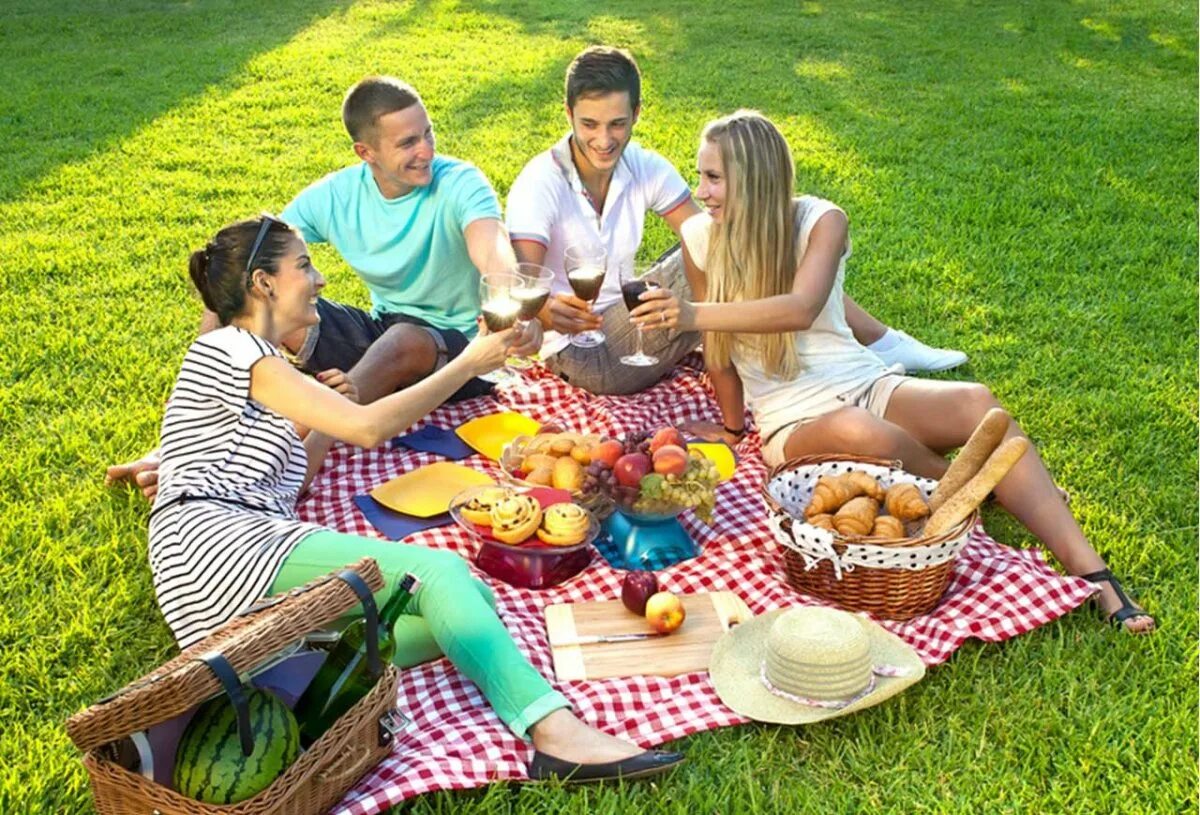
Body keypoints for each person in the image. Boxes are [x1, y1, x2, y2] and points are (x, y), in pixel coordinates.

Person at [146, 215, 683, 781]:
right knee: (439, 573)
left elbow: (294, 477)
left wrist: (329, 419)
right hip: (217, 546)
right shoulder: (235, 349)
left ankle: (302, 675)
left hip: (215, 587)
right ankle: (553, 730)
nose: (321, 279)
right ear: (263, 283)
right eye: (304, 265)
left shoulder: (265, 364)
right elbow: (372, 430)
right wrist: (467, 362)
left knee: (468, 596)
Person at [632, 110, 1154, 634]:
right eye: (700, 175)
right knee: (859, 433)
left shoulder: (821, 221)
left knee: (978, 403)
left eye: (714, 177)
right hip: (792, 417)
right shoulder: (700, 237)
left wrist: (692, 316)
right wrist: (731, 428)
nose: (701, 191)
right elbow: (720, 351)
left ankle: (1094, 574)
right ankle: (983, 489)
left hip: (864, 380)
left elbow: (801, 307)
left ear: (757, 177)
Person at [107, 76, 540, 498]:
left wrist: (508, 304)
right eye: (407, 143)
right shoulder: (335, 195)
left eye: (427, 133)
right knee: (260, 304)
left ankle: (297, 460)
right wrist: (210, 379)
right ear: (365, 151)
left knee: (403, 340)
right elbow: (246, 268)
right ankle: (184, 450)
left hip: (462, 349)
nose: (426, 150)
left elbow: (492, 250)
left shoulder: (461, 182)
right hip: (382, 331)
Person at [506, 46, 964, 395]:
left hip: (633, 328)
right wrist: (547, 310)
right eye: (589, 125)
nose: (604, 140)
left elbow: (724, 233)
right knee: (711, 245)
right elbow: (525, 290)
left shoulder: (642, 165)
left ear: (637, 115)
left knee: (728, 235)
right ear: (568, 115)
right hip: (585, 354)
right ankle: (867, 348)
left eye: (617, 124)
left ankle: (861, 347)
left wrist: (780, 218)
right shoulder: (540, 182)